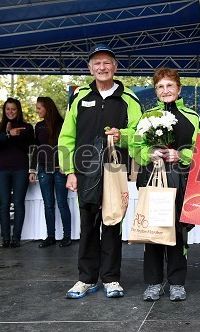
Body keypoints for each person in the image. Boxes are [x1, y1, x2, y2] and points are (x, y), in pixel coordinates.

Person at [58, 44, 142, 299]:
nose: (102, 67)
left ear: (115, 67)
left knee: (112, 224)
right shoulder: (80, 98)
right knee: (88, 226)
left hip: (114, 171)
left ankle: (111, 279)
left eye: (107, 62)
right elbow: (66, 137)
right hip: (84, 172)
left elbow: (140, 134)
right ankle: (86, 278)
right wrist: (69, 171)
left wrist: (123, 135)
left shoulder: (129, 99)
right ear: (90, 68)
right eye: (97, 63)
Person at [132, 67, 200, 302]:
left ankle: (176, 283)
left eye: (170, 85)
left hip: (180, 182)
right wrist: (149, 153)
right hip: (152, 180)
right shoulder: (147, 116)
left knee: (177, 233)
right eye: (160, 87)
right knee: (153, 233)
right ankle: (153, 283)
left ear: (179, 88)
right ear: (156, 91)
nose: (165, 90)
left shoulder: (192, 117)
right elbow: (136, 147)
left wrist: (179, 155)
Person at [29, 96, 72, 248]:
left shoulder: (62, 124)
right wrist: (32, 169)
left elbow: (66, 145)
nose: (37, 110)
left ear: (47, 108)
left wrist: (65, 165)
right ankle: (51, 236)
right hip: (43, 169)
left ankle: (67, 236)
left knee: (61, 203)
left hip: (59, 170)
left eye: (39, 108)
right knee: (48, 204)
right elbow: (35, 148)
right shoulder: (38, 126)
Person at [0, 98, 35, 248]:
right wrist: (6, 134)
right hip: (1, 170)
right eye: (7, 109)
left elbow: (30, 148)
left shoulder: (27, 127)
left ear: (18, 110)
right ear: (4, 111)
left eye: (13, 109)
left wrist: (14, 135)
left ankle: (16, 238)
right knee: (4, 204)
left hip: (20, 169)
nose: (10, 112)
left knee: (18, 203)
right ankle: (5, 238)